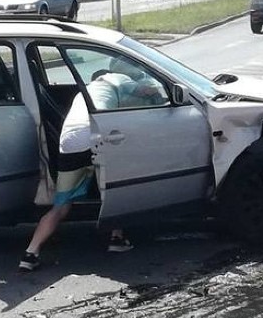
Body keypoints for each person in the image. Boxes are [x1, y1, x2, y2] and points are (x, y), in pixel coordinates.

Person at [19, 59, 164, 272]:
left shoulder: (84, 92)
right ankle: (116, 238)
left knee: (61, 206)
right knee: (117, 187)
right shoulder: (117, 79)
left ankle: (30, 254)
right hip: (95, 134)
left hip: (69, 142)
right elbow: (148, 91)